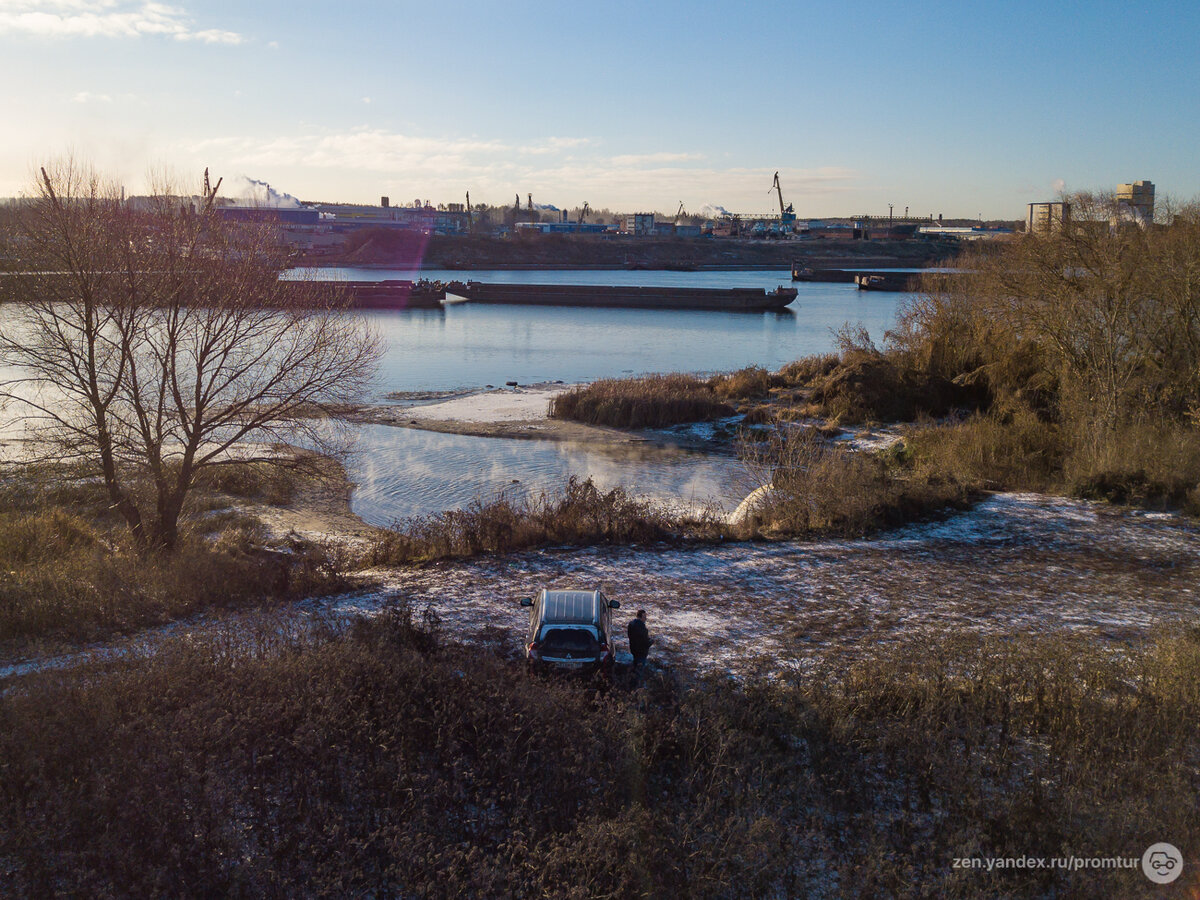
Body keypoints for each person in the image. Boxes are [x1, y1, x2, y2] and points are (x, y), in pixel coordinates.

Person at [627, 609, 654, 678]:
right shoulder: (641, 627)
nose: (645, 619)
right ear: (640, 617)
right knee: (639, 673)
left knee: (635, 670)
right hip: (641, 653)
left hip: (634, 651)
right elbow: (644, 642)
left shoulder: (631, 624)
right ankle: (637, 687)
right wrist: (651, 641)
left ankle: (631, 685)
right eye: (644, 617)